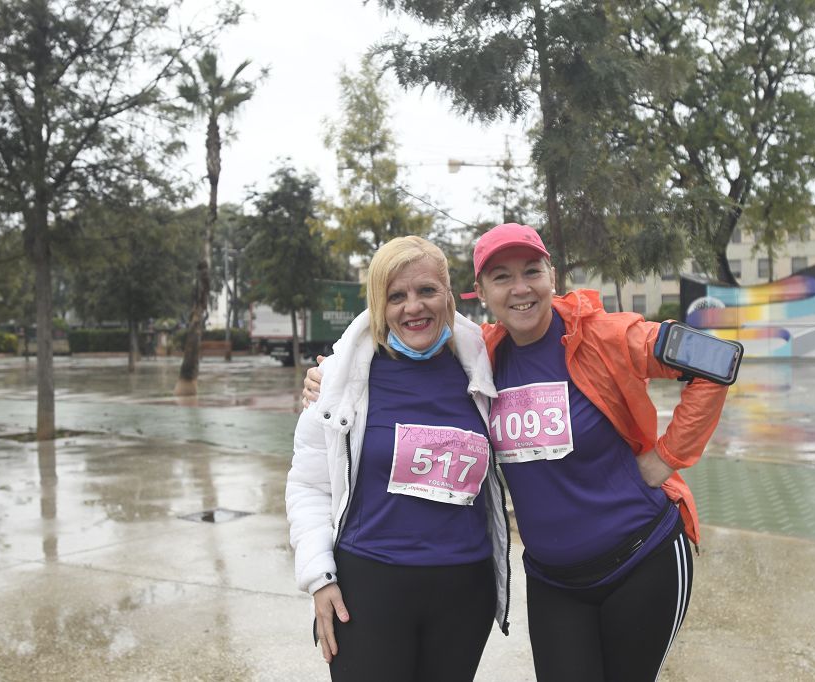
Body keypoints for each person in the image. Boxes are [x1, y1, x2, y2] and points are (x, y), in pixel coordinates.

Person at [305, 223, 730, 681]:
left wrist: (667, 456)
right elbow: (402, 337)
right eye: (502, 277)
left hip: (641, 557)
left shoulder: (605, 337)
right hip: (554, 581)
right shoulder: (483, 357)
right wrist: (336, 370)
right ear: (480, 292)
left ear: (552, 276)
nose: (520, 288)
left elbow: (714, 360)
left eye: (531, 271)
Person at [286, 236, 510, 682]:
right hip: (369, 589)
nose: (413, 307)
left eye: (427, 290)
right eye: (396, 296)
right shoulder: (339, 380)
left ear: (449, 295)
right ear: (377, 303)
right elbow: (309, 484)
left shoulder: (485, 366)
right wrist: (319, 578)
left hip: (464, 591)